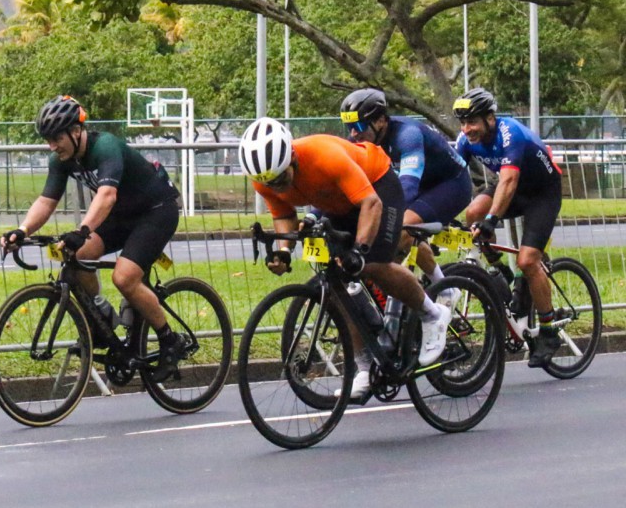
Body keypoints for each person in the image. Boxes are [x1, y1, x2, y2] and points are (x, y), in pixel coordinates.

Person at [240, 117, 451, 399]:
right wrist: (283, 251)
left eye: (282, 179)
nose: (277, 187)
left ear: (292, 157)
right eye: (270, 183)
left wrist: (360, 250)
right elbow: (284, 216)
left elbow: (370, 203)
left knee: (374, 264)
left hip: (377, 188)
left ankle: (432, 313)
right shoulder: (265, 179)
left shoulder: (324, 156)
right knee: (335, 282)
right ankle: (364, 366)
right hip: (337, 204)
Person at [1, 95, 187, 380]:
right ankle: (101, 322)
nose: (52, 145)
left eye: (56, 138)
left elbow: (107, 194)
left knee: (124, 278)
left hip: (156, 211)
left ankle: (169, 341)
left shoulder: (106, 147)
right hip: (122, 216)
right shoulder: (61, 159)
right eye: (48, 139)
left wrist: (82, 231)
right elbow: (47, 200)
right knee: (77, 255)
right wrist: (23, 230)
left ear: (76, 132)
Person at [453, 87, 564, 368]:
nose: (467, 129)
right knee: (473, 212)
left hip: (541, 194)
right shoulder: (466, 139)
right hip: (511, 189)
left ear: (490, 118)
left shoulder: (510, 133)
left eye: (472, 121)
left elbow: (508, 182)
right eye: (463, 123)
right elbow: (452, 177)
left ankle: (549, 330)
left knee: (527, 260)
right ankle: (499, 268)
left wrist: (491, 221)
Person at [340, 89, 473, 290]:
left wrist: (380, 218)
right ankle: (423, 290)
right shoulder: (359, 141)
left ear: (380, 121)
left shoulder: (407, 135)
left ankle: (444, 289)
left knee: (400, 228)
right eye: (349, 126)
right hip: (421, 184)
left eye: (358, 125)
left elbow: (408, 188)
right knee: (395, 230)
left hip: (451, 184)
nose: (353, 133)